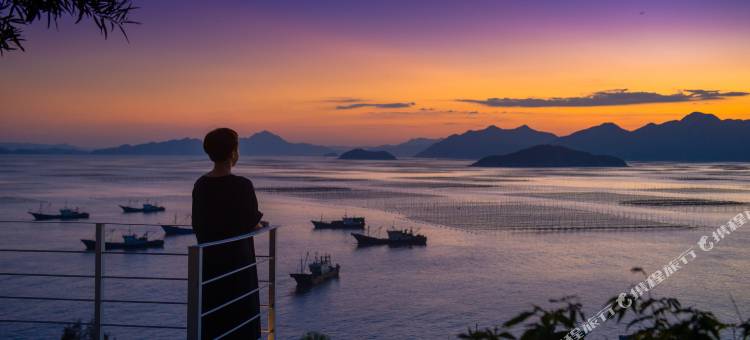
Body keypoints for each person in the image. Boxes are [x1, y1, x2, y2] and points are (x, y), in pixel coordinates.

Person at [192, 128, 263, 339]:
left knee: (214, 320)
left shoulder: (201, 185)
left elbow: (199, 224)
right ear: (233, 153)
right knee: (242, 321)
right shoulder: (242, 185)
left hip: (210, 265)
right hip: (238, 266)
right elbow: (251, 222)